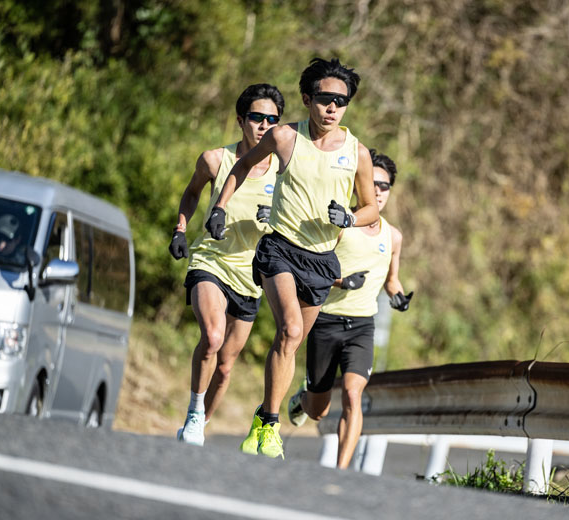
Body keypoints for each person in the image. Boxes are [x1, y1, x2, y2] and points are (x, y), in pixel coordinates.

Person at [209, 57, 379, 459]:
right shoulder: (285, 137)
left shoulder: (358, 153)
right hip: (280, 247)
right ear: (307, 99)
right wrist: (219, 207)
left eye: (342, 100)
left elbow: (373, 208)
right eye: (325, 98)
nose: (333, 107)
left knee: (293, 341)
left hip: (321, 259)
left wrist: (351, 217)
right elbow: (241, 166)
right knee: (288, 329)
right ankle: (270, 425)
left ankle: (264, 414)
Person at [170, 83, 285, 446]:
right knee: (212, 337)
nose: (264, 125)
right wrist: (181, 229)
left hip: (251, 277)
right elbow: (191, 193)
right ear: (240, 120)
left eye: (272, 119)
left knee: (225, 366)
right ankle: (192, 414)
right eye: (257, 117)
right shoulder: (216, 160)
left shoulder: (283, 170)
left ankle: (200, 426)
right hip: (211, 262)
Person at [286, 149, 412, 469]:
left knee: (354, 395)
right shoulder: (341, 224)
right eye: (374, 183)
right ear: (361, 184)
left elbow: (391, 279)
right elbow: (310, 271)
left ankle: (342, 472)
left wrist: (397, 296)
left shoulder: (393, 236)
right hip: (325, 322)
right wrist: (341, 281)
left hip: (361, 327)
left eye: (385, 186)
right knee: (319, 411)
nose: (379, 191)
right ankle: (303, 399)